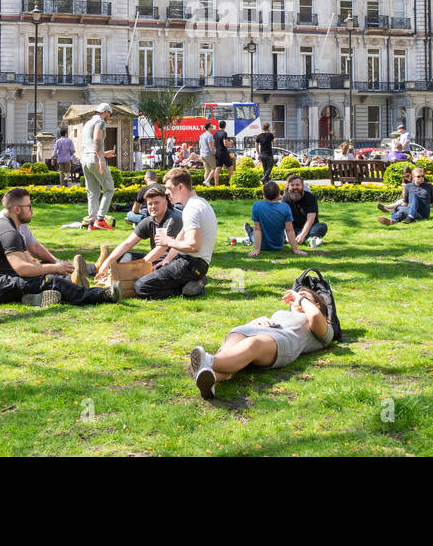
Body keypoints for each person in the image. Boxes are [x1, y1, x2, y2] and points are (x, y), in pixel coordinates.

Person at [186, 281, 336, 399]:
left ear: (316, 304)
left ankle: (207, 361)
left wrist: (300, 298)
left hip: (282, 340)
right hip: (257, 331)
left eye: (304, 297)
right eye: (297, 296)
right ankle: (210, 376)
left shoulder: (322, 324)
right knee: (236, 336)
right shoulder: (282, 313)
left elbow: (315, 316)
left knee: (254, 343)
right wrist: (256, 321)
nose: (297, 298)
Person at [0, 188, 118, 306]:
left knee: (46, 270)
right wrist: (55, 268)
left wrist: (54, 266)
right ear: (17, 209)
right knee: (51, 280)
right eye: (29, 206)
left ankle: (59, 286)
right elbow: (22, 269)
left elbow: (29, 261)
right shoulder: (9, 232)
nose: (32, 210)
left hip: (4, 280)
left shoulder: (11, 227)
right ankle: (100, 295)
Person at [136, 168, 215, 298]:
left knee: (141, 287)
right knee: (152, 274)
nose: (166, 192)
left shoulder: (192, 209)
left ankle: (191, 287)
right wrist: (167, 259)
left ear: (180, 187)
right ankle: (192, 283)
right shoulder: (198, 203)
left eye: (168, 188)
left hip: (191, 264)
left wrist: (167, 241)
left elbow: (193, 246)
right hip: (192, 263)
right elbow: (182, 236)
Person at [98, 183, 182, 268]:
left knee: (139, 269)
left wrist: (139, 267)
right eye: (150, 204)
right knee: (126, 256)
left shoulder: (173, 220)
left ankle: (121, 273)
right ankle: (102, 266)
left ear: (165, 203)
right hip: (154, 259)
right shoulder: (149, 221)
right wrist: (107, 262)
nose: (153, 206)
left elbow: (160, 250)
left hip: (170, 262)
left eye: (156, 203)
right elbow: (127, 244)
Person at [244, 180, 307, 256]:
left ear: (264, 194)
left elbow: (257, 229)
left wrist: (257, 250)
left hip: (262, 246)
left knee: (254, 230)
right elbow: (289, 230)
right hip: (278, 245)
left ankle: (249, 230)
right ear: (278, 194)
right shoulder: (285, 207)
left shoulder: (256, 206)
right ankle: (250, 230)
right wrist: (295, 250)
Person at [80, 104, 116, 227]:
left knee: (92, 192)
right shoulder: (100, 122)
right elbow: (96, 140)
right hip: (94, 159)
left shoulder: (87, 123)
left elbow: (89, 145)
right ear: (105, 112)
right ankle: (100, 220)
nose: (108, 118)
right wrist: (101, 159)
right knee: (109, 188)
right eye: (109, 115)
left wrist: (104, 154)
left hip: (85, 159)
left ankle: (91, 221)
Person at [284, 175, 327, 246]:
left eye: (297, 185)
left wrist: (302, 235)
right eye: (292, 185)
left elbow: (310, 220)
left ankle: (304, 238)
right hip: (292, 229)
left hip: (310, 228)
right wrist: (287, 235)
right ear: (289, 187)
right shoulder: (285, 199)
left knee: (322, 226)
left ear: (302, 186)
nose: (295, 187)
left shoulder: (311, 198)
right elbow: (284, 220)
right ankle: (310, 240)